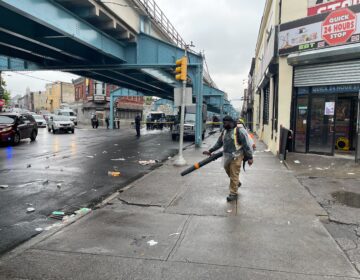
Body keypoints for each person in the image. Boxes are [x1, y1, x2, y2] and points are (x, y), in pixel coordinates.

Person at [203, 116, 254, 202]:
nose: (224, 124)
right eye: (223, 122)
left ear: (231, 122)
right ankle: (236, 182)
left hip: (237, 156)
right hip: (227, 155)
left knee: (234, 173)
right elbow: (219, 143)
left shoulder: (239, 131)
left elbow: (246, 145)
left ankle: (233, 194)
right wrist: (210, 151)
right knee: (228, 170)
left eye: (225, 123)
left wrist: (250, 157)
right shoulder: (224, 131)